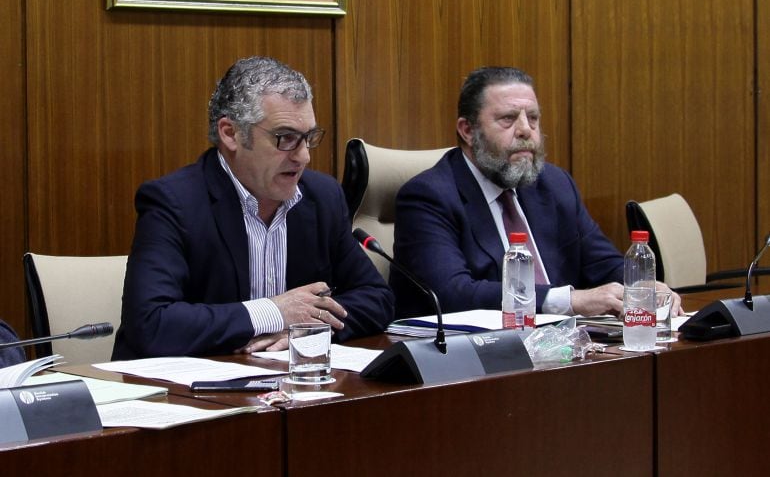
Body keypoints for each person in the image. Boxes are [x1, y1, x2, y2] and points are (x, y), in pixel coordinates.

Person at [113, 56, 394, 359]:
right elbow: (152, 324)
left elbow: (376, 299)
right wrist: (274, 313)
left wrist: (307, 327)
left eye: (309, 138)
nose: (303, 157)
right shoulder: (175, 202)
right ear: (231, 134)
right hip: (182, 393)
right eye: (285, 138)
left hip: (286, 388)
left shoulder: (321, 197)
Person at [391, 66, 682, 319]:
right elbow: (453, 294)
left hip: (564, 350)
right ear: (467, 130)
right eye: (508, 119)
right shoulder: (428, 197)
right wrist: (568, 301)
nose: (525, 130)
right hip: (473, 360)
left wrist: (642, 287)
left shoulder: (554, 184)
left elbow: (602, 263)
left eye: (533, 117)